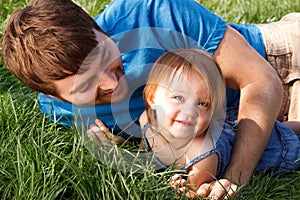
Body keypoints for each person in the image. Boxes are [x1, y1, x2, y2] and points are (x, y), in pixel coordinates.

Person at [1, 0, 300, 198]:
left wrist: (234, 178)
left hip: (280, 57)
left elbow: (260, 81)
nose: (111, 83)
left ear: (99, 29)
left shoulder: (153, 10)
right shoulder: (57, 110)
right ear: (56, 96)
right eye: (85, 86)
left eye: (105, 56)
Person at [139, 48, 300, 198]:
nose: (190, 112)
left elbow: (194, 191)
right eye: (178, 98)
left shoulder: (204, 156)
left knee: (286, 140)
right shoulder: (147, 120)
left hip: (271, 148)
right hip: (234, 126)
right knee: (280, 129)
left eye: (202, 103)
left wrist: (178, 185)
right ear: (152, 99)